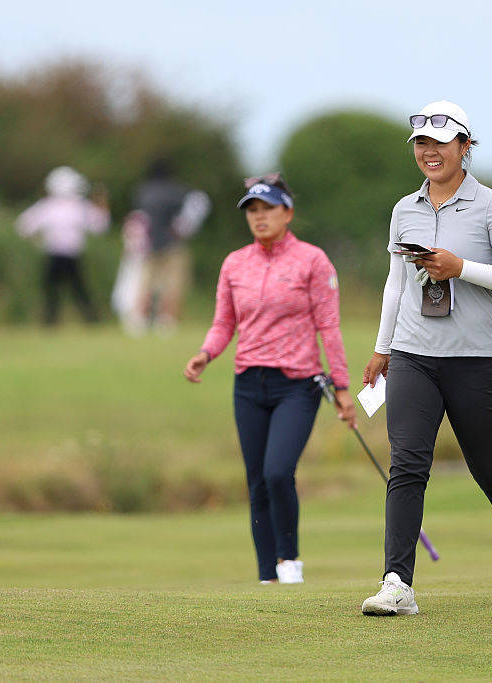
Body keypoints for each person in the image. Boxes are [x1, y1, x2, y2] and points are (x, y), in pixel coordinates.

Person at [360, 101, 492, 616]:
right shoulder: (404, 209)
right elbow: (396, 285)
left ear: (465, 147)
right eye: (421, 144)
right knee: (407, 465)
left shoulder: (491, 206)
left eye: (441, 144)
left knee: (491, 469)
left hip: (475, 359)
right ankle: (397, 582)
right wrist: (382, 347)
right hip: (414, 355)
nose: (430, 153)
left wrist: (461, 268)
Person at [183, 173, 355, 585]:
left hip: (298, 384)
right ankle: (267, 577)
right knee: (257, 480)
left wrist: (343, 387)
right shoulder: (235, 263)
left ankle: (289, 562)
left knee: (278, 471)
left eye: (267, 209)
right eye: (252, 211)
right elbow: (224, 322)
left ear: (287, 213)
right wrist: (206, 354)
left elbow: (328, 326)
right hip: (248, 384)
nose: (259, 218)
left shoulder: (313, 261)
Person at [16, 166, 109, 325]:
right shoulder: (76, 206)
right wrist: (102, 206)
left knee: (65, 291)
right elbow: (100, 226)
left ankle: (68, 321)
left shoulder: (51, 205)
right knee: (67, 291)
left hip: (66, 255)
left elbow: (24, 226)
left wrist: (36, 240)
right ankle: (80, 321)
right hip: (61, 254)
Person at [132, 158, 210, 334]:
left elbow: (139, 219)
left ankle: (140, 320)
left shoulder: (144, 192)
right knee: (173, 284)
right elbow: (196, 207)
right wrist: (183, 229)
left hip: (149, 244)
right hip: (173, 243)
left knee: (146, 283)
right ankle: (167, 321)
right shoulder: (178, 191)